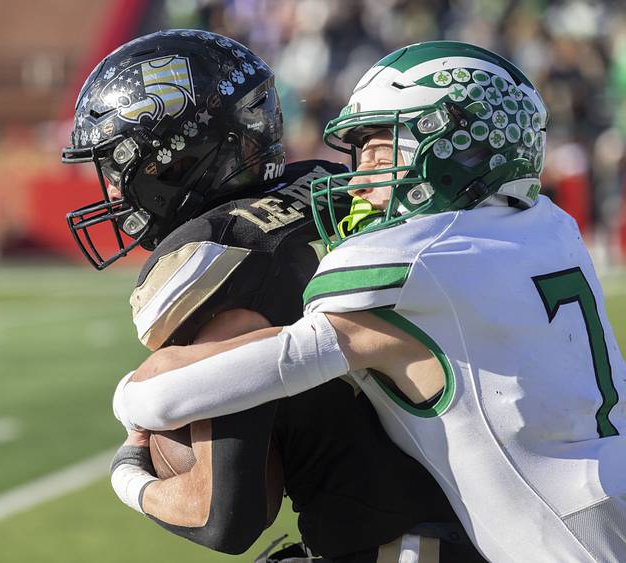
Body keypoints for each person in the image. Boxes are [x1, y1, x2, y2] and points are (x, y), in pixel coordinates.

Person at [112, 40, 626, 563]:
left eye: (384, 148)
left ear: (462, 146)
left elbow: (168, 397)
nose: (359, 177)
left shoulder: (415, 263)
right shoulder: (548, 224)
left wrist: (129, 440)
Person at [63, 31, 484, 561]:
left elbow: (223, 517)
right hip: (493, 520)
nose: (115, 193)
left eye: (120, 167)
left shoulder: (227, 261)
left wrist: (129, 476)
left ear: (174, 161)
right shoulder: (337, 190)